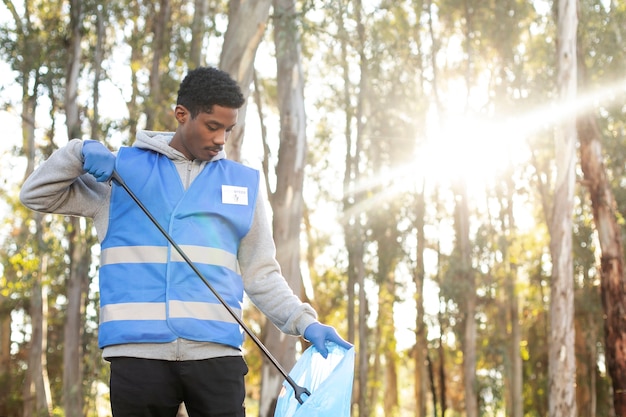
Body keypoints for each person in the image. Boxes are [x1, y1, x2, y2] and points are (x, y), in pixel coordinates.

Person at [20, 66, 351, 417]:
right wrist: (77, 153)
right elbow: (36, 195)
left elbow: (261, 274)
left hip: (217, 355)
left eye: (228, 129)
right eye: (212, 126)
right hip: (138, 358)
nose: (221, 139)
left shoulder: (244, 186)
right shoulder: (121, 172)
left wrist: (305, 322)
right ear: (182, 114)